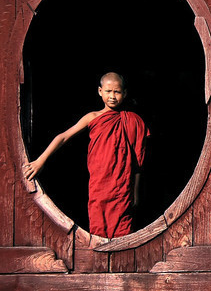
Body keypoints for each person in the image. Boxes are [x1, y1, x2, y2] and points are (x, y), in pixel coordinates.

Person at [22, 72, 149, 239]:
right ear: (100, 91)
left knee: (122, 235)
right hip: (99, 185)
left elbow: (138, 160)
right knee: (98, 231)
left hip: (122, 188)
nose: (112, 96)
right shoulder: (93, 117)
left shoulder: (133, 121)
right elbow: (63, 136)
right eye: (108, 91)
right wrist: (40, 161)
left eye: (117, 92)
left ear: (124, 93)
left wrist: (135, 192)